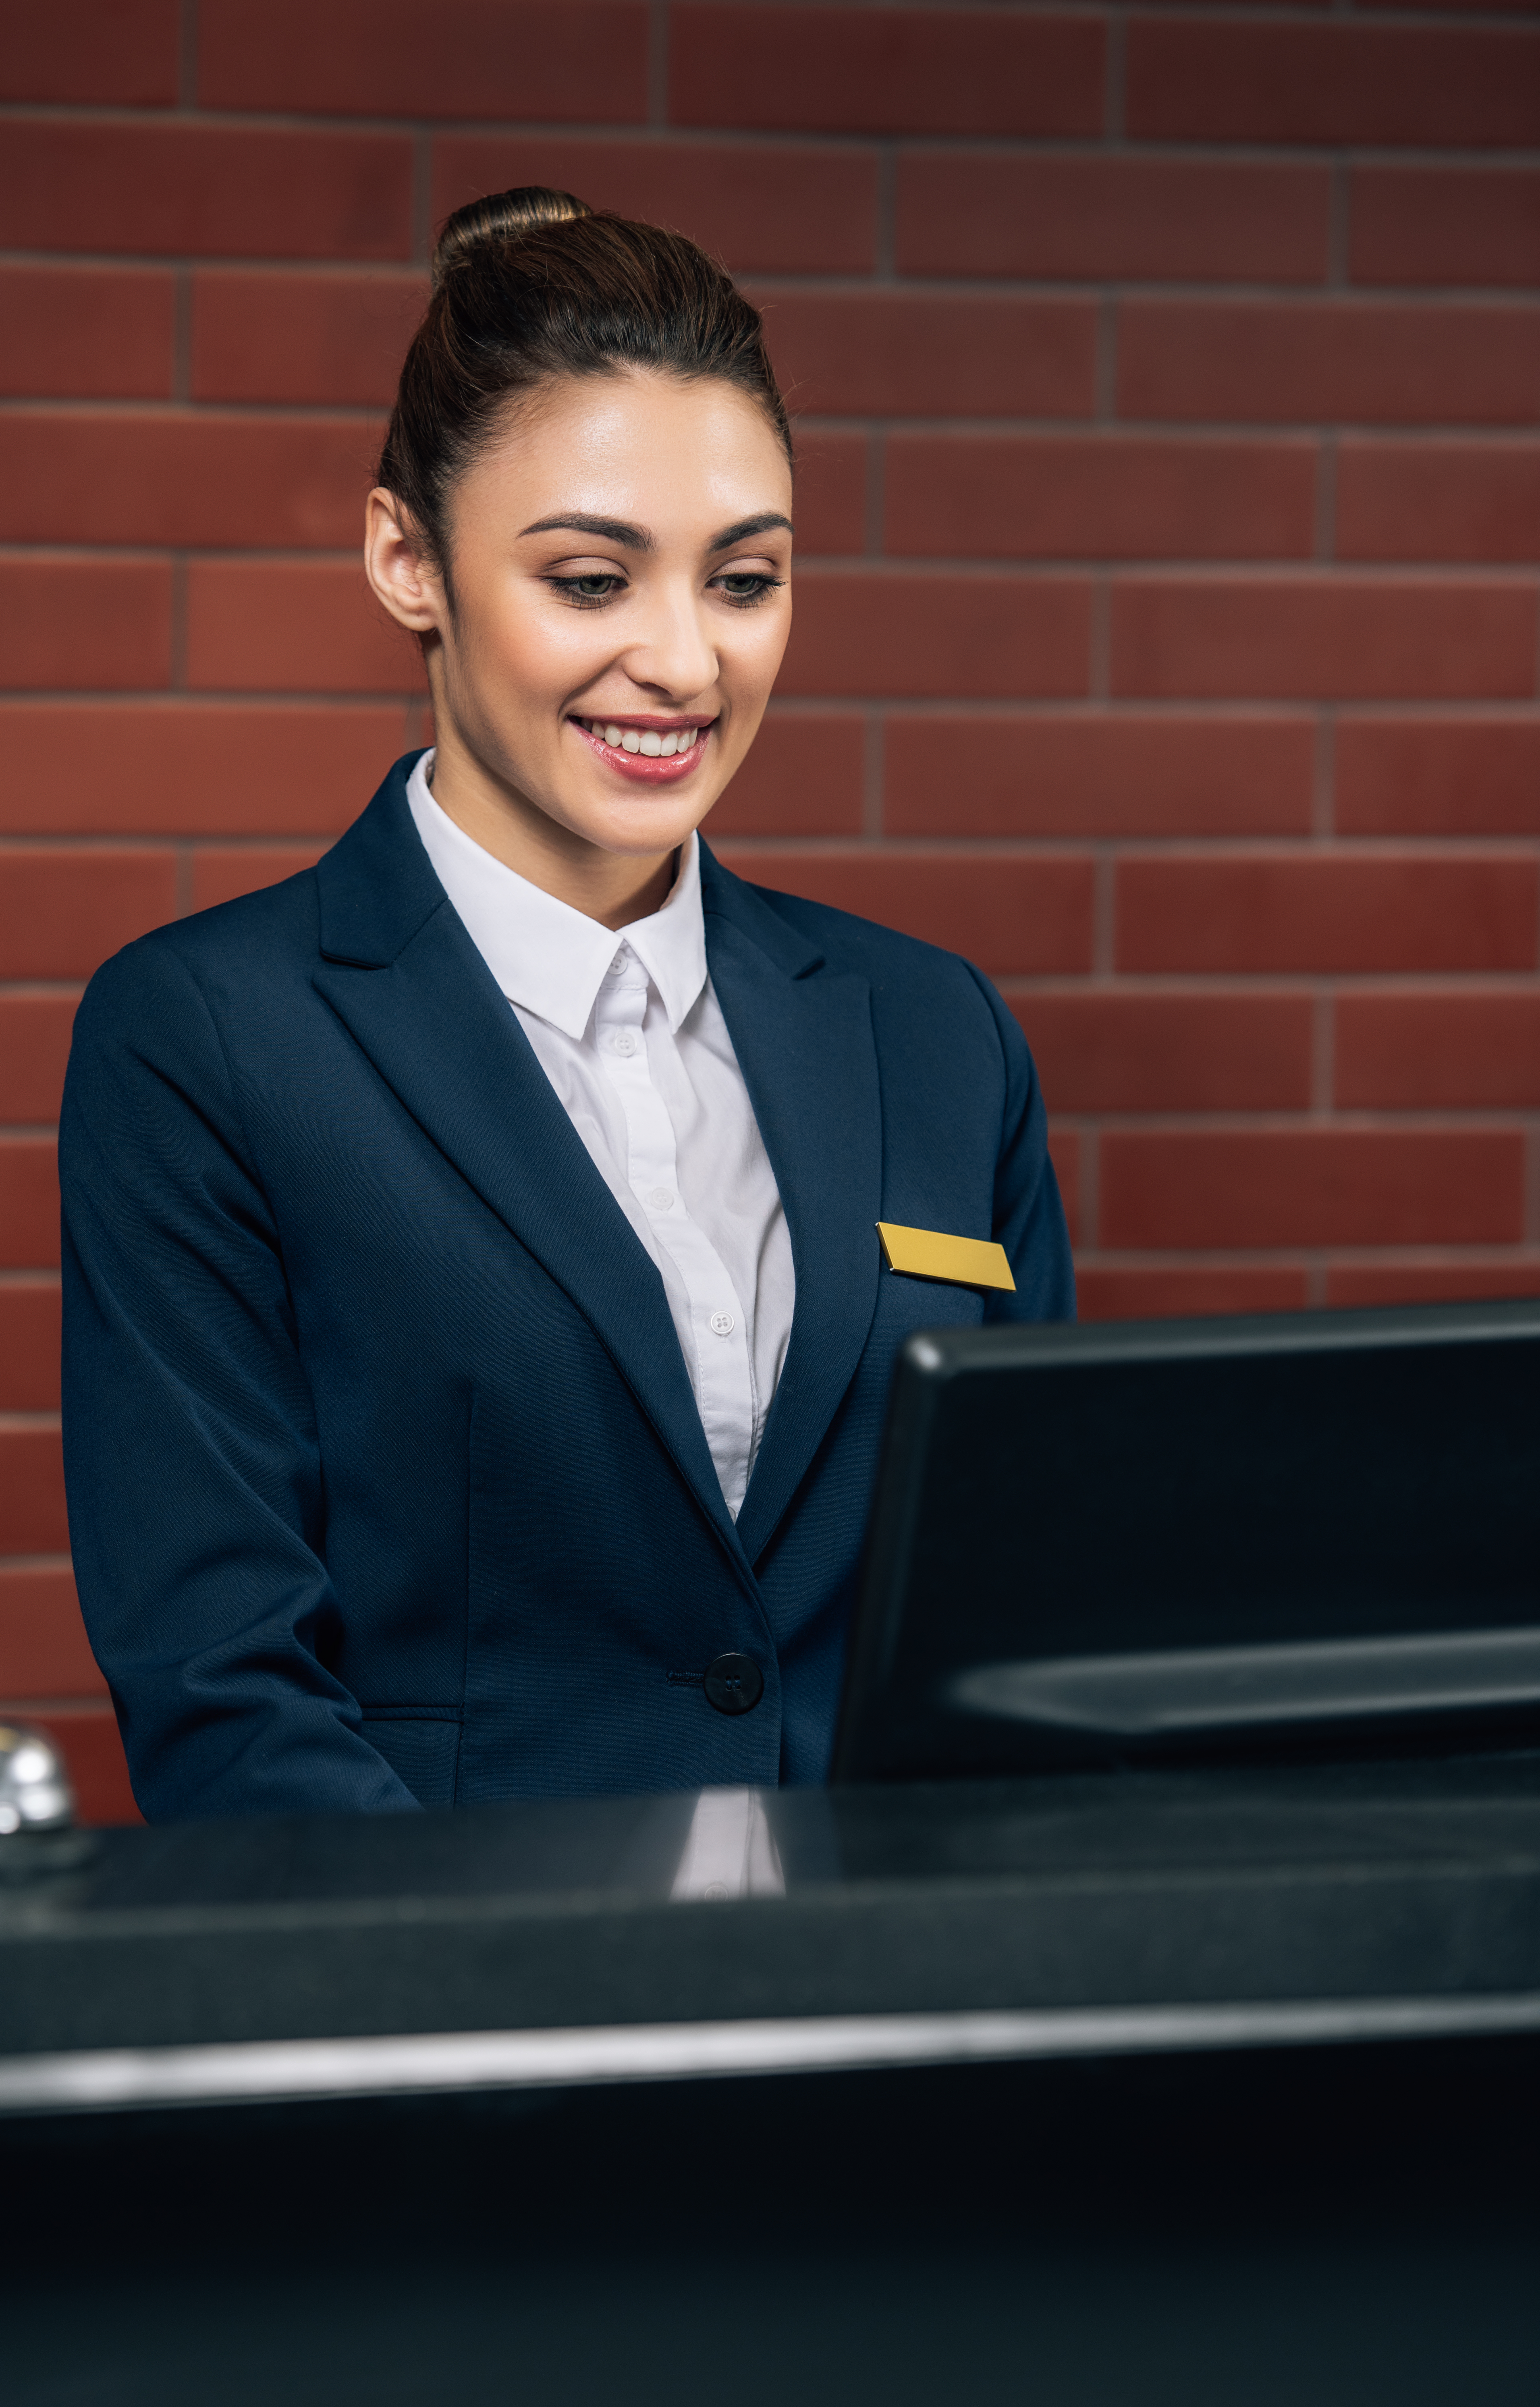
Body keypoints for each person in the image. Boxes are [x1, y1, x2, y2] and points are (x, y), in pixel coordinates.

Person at [59, 189, 1074, 1819]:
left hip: (889, 2010)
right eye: (593, 579)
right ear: (408, 560)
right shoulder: (209, 1041)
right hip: (465, 2025)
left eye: (743, 581)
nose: (682, 660)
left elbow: (1036, 1608)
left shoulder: (937, 1034)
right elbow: (226, 1688)